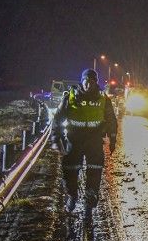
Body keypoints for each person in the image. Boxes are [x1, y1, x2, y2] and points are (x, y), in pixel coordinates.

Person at [51, 68, 118, 214]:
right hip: (74, 140)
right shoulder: (71, 96)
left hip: (94, 141)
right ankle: (72, 196)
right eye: (86, 81)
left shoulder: (103, 98)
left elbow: (111, 119)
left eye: (92, 81)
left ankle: (90, 200)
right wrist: (55, 137)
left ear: (96, 83)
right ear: (82, 81)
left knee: (95, 170)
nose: (89, 84)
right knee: (70, 170)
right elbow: (58, 118)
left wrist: (112, 139)